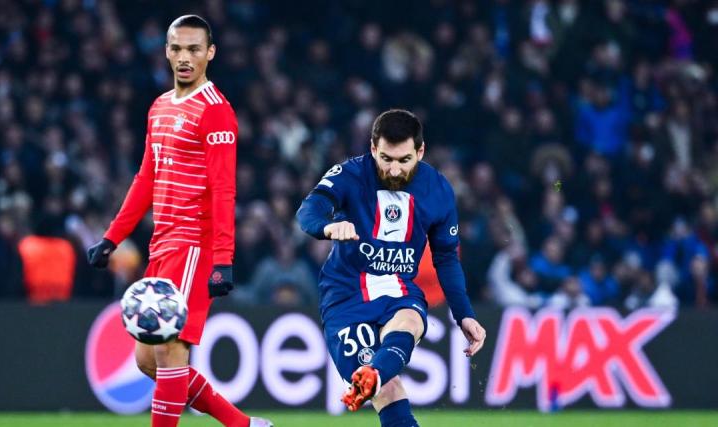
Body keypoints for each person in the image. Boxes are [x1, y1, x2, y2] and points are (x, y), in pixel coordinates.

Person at [86, 15, 271, 427]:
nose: (184, 57)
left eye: (193, 49)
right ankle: (245, 426)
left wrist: (223, 259)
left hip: (194, 246)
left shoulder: (216, 112)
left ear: (210, 53)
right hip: (162, 244)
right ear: (166, 51)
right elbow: (146, 178)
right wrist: (113, 237)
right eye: (176, 48)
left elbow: (224, 190)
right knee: (147, 359)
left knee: (170, 352)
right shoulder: (159, 107)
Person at [296, 109, 486, 426]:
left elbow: (446, 257)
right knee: (388, 389)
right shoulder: (350, 173)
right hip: (346, 293)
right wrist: (327, 227)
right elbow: (309, 209)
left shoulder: (437, 189)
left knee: (410, 320)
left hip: (398, 286)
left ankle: (373, 374)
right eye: (386, 159)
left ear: (420, 151)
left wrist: (463, 313)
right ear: (373, 148)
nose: (394, 169)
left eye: (404, 160)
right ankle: (375, 376)